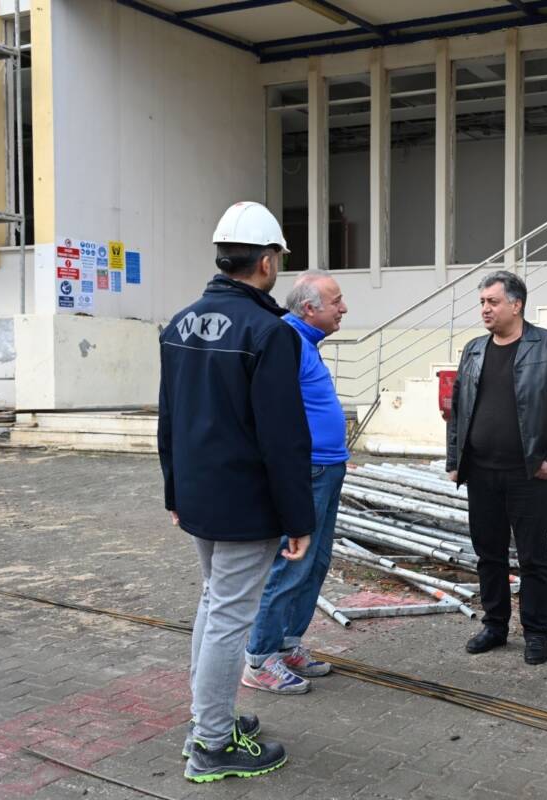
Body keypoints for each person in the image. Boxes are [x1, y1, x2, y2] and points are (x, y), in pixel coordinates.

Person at [158, 201, 314, 783]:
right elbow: (282, 436)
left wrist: (175, 492)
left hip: (199, 497)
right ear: (268, 261)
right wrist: (299, 516)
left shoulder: (178, 323)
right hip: (246, 503)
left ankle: (207, 720)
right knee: (228, 618)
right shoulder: (268, 332)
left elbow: (167, 419)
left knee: (211, 605)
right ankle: (212, 743)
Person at [445, 270, 547, 665]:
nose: (485, 309)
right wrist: (456, 460)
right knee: (488, 553)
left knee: (533, 556)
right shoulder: (473, 349)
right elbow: (458, 411)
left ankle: (537, 633)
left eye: (493, 302)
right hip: (481, 471)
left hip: (530, 474)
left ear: (516, 305)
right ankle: (495, 625)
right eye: (482, 302)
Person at [242, 270, 349, 695]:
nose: (344, 308)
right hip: (308, 471)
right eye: (336, 301)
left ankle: (287, 645)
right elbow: (273, 414)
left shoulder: (305, 342)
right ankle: (260, 657)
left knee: (316, 562)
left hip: (327, 468)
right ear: (309, 308)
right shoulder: (285, 341)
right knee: (291, 563)